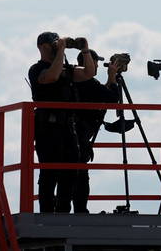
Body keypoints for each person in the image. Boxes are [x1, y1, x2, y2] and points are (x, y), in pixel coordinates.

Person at [28, 31, 95, 213]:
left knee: (71, 170)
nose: (58, 48)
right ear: (42, 47)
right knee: (49, 172)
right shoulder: (37, 69)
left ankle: (63, 212)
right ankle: (47, 214)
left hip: (68, 127)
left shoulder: (67, 69)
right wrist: (62, 50)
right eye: (54, 45)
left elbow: (89, 73)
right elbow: (52, 76)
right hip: (47, 128)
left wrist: (86, 50)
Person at [71, 49, 120, 213]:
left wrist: (109, 80)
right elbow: (112, 99)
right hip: (80, 136)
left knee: (66, 173)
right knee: (81, 175)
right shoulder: (88, 83)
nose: (98, 66)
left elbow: (101, 94)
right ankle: (80, 210)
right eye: (95, 63)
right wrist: (113, 77)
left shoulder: (75, 81)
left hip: (73, 132)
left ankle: (62, 210)